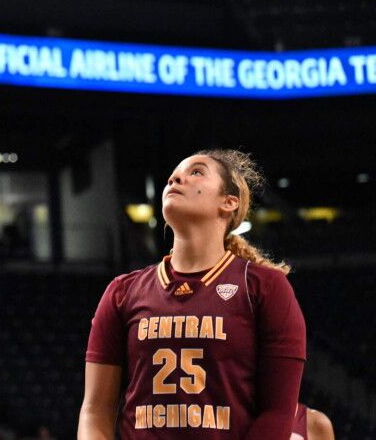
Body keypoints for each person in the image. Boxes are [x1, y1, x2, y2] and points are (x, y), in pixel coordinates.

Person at [79, 150, 307, 438]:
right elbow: (95, 411)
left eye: (196, 172)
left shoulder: (264, 286)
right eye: (173, 174)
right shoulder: (122, 291)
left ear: (229, 202)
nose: (175, 178)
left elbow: (276, 413)